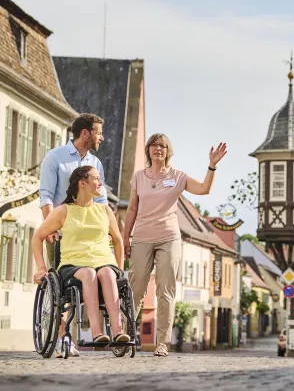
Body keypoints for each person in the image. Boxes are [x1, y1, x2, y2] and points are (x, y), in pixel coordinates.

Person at [124, 133, 227, 357]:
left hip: (169, 237)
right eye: (154, 145)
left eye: (162, 146)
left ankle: (162, 343)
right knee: (136, 288)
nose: (158, 149)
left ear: (168, 151)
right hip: (141, 237)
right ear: (148, 150)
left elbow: (203, 189)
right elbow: (131, 209)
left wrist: (211, 167)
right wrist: (125, 238)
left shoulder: (178, 176)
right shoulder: (139, 177)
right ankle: (126, 335)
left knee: (166, 290)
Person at [32, 166, 129, 345]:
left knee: (107, 273)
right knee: (89, 273)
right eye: (96, 178)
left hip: (104, 262)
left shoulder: (105, 210)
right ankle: (97, 332)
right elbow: (37, 237)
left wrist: (119, 270)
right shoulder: (64, 211)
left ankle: (118, 331)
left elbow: (117, 241)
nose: (101, 183)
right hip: (73, 265)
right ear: (82, 183)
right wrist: (41, 268)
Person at [39, 113, 107, 357]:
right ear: (86, 133)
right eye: (99, 132)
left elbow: (103, 200)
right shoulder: (55, 157)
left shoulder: (96, 163)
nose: (102, 137)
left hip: (89, 237)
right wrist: (50, 227)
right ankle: (61, 339)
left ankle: (93, 331)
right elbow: (46, 195)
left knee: (95, 278)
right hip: (60, 232)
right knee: (61, 288)